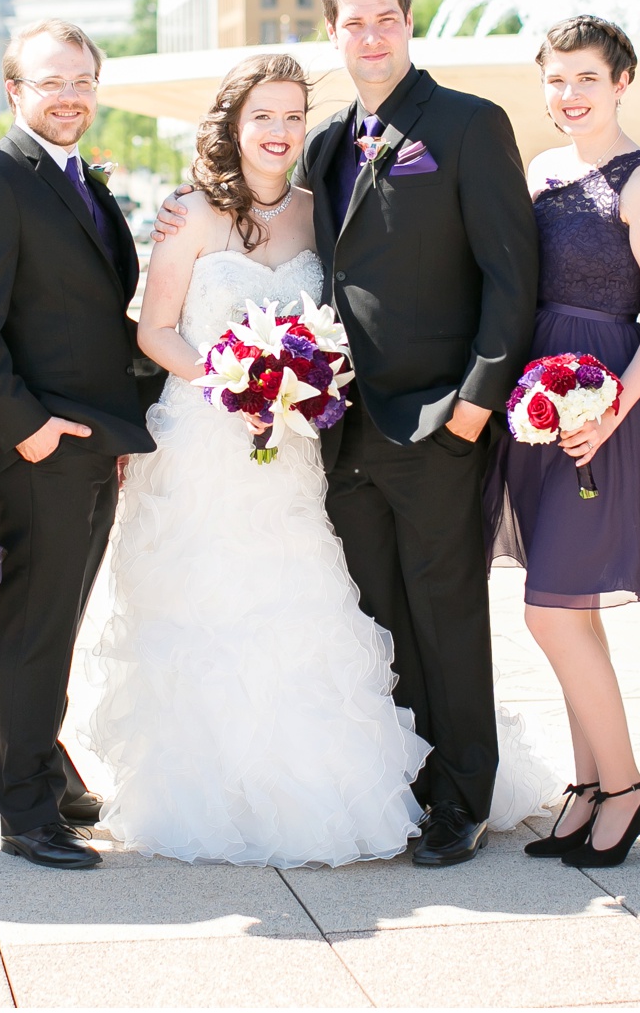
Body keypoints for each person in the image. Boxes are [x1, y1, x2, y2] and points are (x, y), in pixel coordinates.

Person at [156, 0, 544, 866]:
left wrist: (474, 408)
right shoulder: (327, 143)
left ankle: (464, 796)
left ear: (408, 22)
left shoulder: (469, 125)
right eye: (352, 22)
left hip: (439, 421)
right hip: (337, 430)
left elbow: (509, 277)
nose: (370, 36)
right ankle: (409, 780)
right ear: (331, 32)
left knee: (448, 615)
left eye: (385, 19)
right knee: (378, 616)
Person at [85, 53, 435, 867]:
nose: (277, 133)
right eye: (261, 118)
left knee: (302, 602)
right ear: (233, 127)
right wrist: (235, 381)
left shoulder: (324, 213)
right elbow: (156, 329)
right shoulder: (191, 214)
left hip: (296, 448)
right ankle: (216, 793)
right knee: (213, 605)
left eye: (289, 117)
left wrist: (296, 385)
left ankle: (319, 785)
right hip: (210, 441)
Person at [0, 19, 159, 870]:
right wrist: (25, 427)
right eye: (49, 82)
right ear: (14, 91)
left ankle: (46, 764)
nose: (68, 97)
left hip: (92, 441)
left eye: (80, 82)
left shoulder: (84, 182)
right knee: (35, 622)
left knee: (59, 618)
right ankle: (25, 809)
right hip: (39, 444)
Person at [482, 17, 640, 869]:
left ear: (622, 82)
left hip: (604, 404)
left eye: (585, 79)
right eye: (556, 79)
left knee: (551, 609)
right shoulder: (540, 170)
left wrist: (609, 409)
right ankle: (590, 783)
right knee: (564, 606)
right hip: (541, 401)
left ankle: (630, 784)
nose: (568, 94)